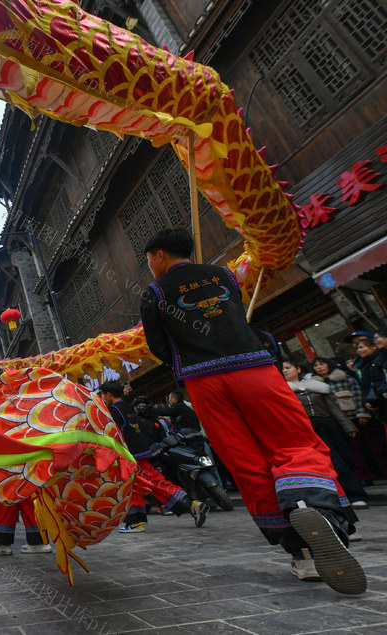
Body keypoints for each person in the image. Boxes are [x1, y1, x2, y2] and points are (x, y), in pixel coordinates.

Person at [139, 227, 364, 594]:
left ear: (159, 255)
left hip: (204, 383)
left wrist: (190, 358)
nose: (149, 266)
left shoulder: (155, 293)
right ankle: (320, 512)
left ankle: (302, 553)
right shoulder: (225, 275)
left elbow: (158, 346)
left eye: (148, 258)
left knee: (246, 462)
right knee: (294, 442)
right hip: (254, 369)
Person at [98, 382, 207, 532]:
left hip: (130, 455)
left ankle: (189, 505)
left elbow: (114, 434)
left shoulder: (113, 410)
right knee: (134, 486)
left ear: (108, 394)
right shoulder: (125, 406)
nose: (103, 397)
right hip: (138, 452)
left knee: (151, 482)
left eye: (103, 394)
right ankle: (137, 521)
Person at [0, 364, 53, 555]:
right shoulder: (16, 393)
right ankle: (37, 541)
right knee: (27, 494)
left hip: (6, 453)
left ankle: (0, 543)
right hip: (26, 450)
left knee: (5, 493)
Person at [282, 361, 367, 509]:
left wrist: (348, 426)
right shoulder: (284, 391)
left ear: (298, 368)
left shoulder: (317, 386)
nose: (285, 371)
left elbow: (333, 408)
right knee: (332, 462)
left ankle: (354, 492)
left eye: (288, 368)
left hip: (330, 425)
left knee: (346, 457)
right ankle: (352, 496)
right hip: (308, 430)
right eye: (282, 370)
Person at [312, 357, 385, 485]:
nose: (319, 367)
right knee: (352, 451)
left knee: (368, 446)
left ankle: (380, 472)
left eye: (322, 364)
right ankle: (364, 477)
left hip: (354, 417)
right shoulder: (316, 386)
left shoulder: (345, 378)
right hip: (337, 422)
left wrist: (362, 413)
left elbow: (358, 395)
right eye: (316, 366)